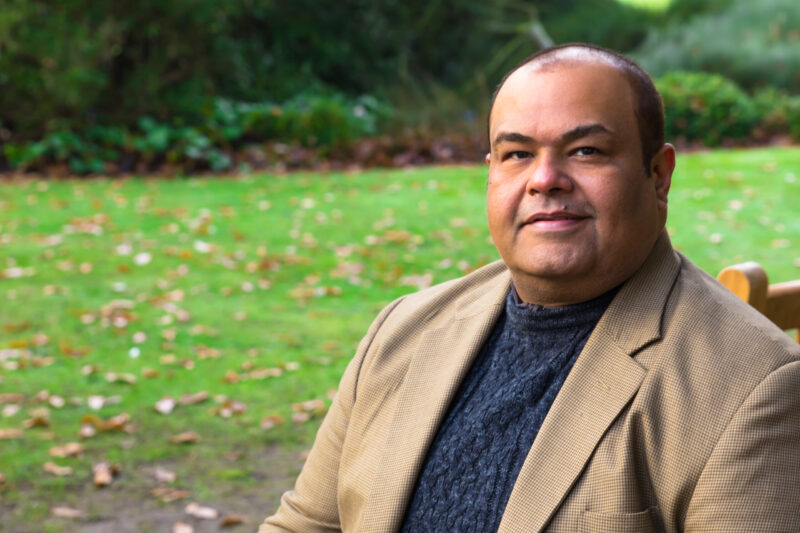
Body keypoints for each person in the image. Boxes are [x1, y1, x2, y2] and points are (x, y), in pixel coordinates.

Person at [261, 43, 800, 532]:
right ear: (491, 173)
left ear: (658, 175)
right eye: (518, 154)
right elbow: (305, 527)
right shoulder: (401, 331)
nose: (545, 179)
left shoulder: (752, 387)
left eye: (586, 150)